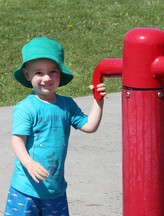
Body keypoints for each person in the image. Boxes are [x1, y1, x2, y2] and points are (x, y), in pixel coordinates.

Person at [4, 37, 106, 215]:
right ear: (27, 75)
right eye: (38, 73)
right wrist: (29, 163)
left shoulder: (66, 105)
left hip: (55, 190)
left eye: (52, 71)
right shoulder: (26, 108)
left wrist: (98, 101)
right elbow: (17, 141)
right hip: (26, 189)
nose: (46, 78)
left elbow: (90, 126)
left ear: (60, 73)